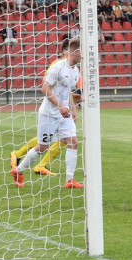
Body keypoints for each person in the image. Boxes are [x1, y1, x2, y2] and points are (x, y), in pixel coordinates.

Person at [12, 38, 83, 189]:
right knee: (42, 147)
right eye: (80, 52)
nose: (82, 56)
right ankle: (18, 170)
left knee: (73, 142)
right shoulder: (57, 67)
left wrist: (73, 108)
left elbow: (68, 91)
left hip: (64, 114)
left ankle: (69, 180)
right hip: (49, 114)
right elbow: (45, 89)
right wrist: (60, 106)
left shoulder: (76, 71)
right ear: (74, 52)